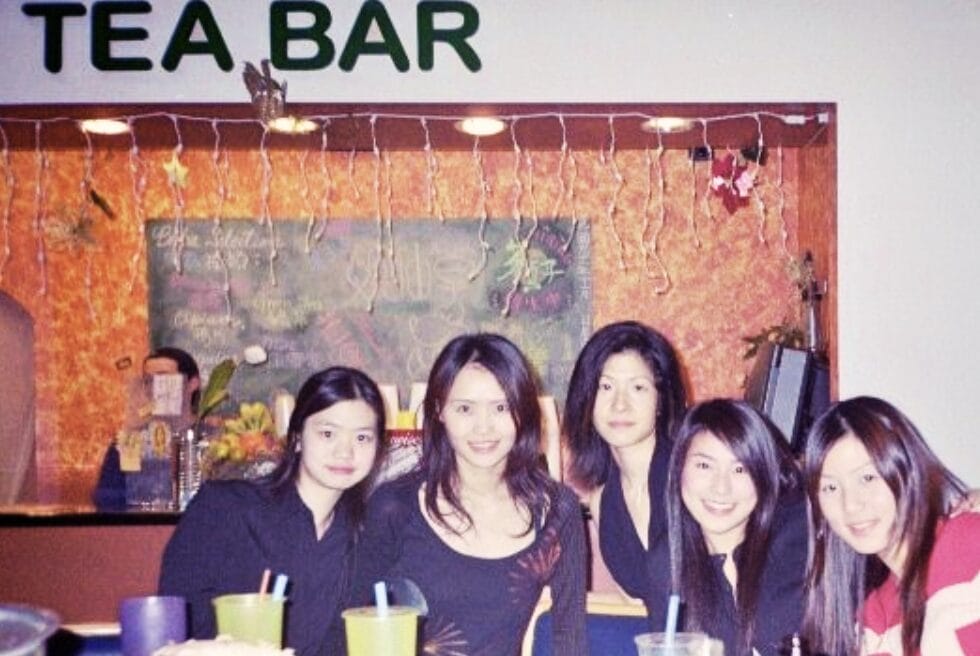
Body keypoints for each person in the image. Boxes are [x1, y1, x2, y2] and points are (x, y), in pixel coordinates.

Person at [353, 333, 588, 655]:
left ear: (523, 412)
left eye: (501, 407)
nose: (483, 428)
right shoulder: (394, 506)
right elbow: (351, 625)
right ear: (439, 410)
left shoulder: (557, 509)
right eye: (465, 408)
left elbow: (570, 639)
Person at [159, 366, 389, 656]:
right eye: (328, 433)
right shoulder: (225, 509)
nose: (345, 451)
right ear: (296, 438)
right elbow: (176, 622)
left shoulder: (362, 536)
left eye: (362, 438)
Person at [802, 396, 978, 656]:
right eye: (830, 487)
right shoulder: (872, 623)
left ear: (906, 469)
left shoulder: (967, 545)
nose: (851, 505)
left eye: (867, 477)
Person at [646, 399, 807, 656]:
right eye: (704, 465)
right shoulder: (666, 564)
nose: (721, 488)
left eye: (740, 469)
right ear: (679, 469)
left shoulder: (800, 541)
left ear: (764, 475)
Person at [562, 320, 687, 604]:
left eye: (638, 388)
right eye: (605, 387)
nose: (620, 404)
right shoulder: (601, 502)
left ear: (660, 400)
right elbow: (638, 608)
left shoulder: (689, 478)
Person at [92, 346, 202, 509]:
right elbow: (106, 499)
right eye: (148, 380)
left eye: (164, 378)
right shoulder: (130, 440)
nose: (154, 387)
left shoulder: (214, 440)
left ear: (192, 384)